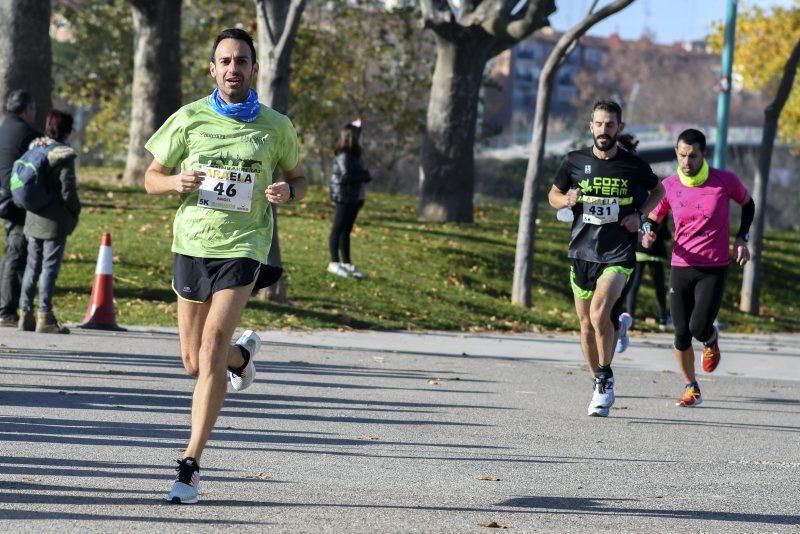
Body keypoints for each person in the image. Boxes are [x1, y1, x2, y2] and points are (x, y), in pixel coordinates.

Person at [144, 28, 306, 504]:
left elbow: (300, 178)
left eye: (242, 61)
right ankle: (242, 358)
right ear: (213, 69)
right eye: (225, 61)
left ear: (254, 69)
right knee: (195, 362)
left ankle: (190, 465)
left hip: (245, 245)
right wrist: (174, 181)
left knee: (212, 344)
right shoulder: (189, 118)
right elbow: (149, 177)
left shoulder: (276, 126)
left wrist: (288, 192)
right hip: (192, 243)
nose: (233, 69)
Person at [548, 99, 665, 417]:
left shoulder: (632, 165)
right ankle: (598, 379)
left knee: (599, 315)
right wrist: (565, 199)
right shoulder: (574, 161)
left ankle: (605, 376)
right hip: (582, 251)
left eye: (610, 125)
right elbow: (553, 195)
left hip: (617, 252)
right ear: (591, 127)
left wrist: (639, 216)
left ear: (619, 128)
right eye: (598, 124)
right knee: (586, 325)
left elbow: (659, 191)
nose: (603, 130)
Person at [642, 128, 753, 408]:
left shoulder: (724, 181)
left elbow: (748, 204)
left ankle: (711, 338)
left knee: (698, 326)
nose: (686, 162)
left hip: (713, 267)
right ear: (676, 154)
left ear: (704, 154)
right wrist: (649, 232)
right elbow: (654, 217)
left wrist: (742, 238)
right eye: (681, 156)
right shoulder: (669, 186)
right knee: (680, 332)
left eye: (692, 156)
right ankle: (691, 386)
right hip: (681, 265)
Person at [17, 110, 81, 334]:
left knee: (32, 266)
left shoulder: (36, 147)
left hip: (33, 217)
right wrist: (75, 210)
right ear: (67, 130)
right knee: (49, 268)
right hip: (54, 221)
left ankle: (25, 314)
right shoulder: (64, 155)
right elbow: (68, 190)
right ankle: (45, 317)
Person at [613, 133, 671, 354]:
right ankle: (621, 324)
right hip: (593, 248)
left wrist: (646, 232)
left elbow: (645, 213)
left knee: (615, 296)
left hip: (625, 249)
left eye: (621, 151)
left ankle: (603, 372)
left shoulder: (636, 181)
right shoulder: (594, 171)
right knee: (593, 312)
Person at [0, 90, 39, 327]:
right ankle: (6, 310)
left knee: (10, 252)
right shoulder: (26, 133)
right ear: (26, 109)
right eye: (33, 109)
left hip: (3, 196)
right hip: (14, 200)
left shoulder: (5, 127)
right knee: (16, 253)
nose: (34, 114)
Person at [327, 119, 371, 279]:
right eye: (358, 135)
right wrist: (365, 175)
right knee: (337, 229)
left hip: (354, 197)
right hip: (344, 197)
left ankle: (347, 263)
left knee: (346, 231)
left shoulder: (355, 154)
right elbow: (346, 176)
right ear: (351, 136)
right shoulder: (344, 154)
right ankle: (334, 263)